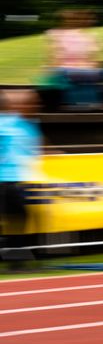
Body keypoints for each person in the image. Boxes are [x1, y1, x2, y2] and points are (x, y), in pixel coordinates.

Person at [0, 89, 42, 270]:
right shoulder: (14, 123)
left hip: (9, 180)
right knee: (20, 217)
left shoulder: (18, 123)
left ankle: (15, 259)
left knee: (17, 217)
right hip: (7, 181)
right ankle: (15, 261)